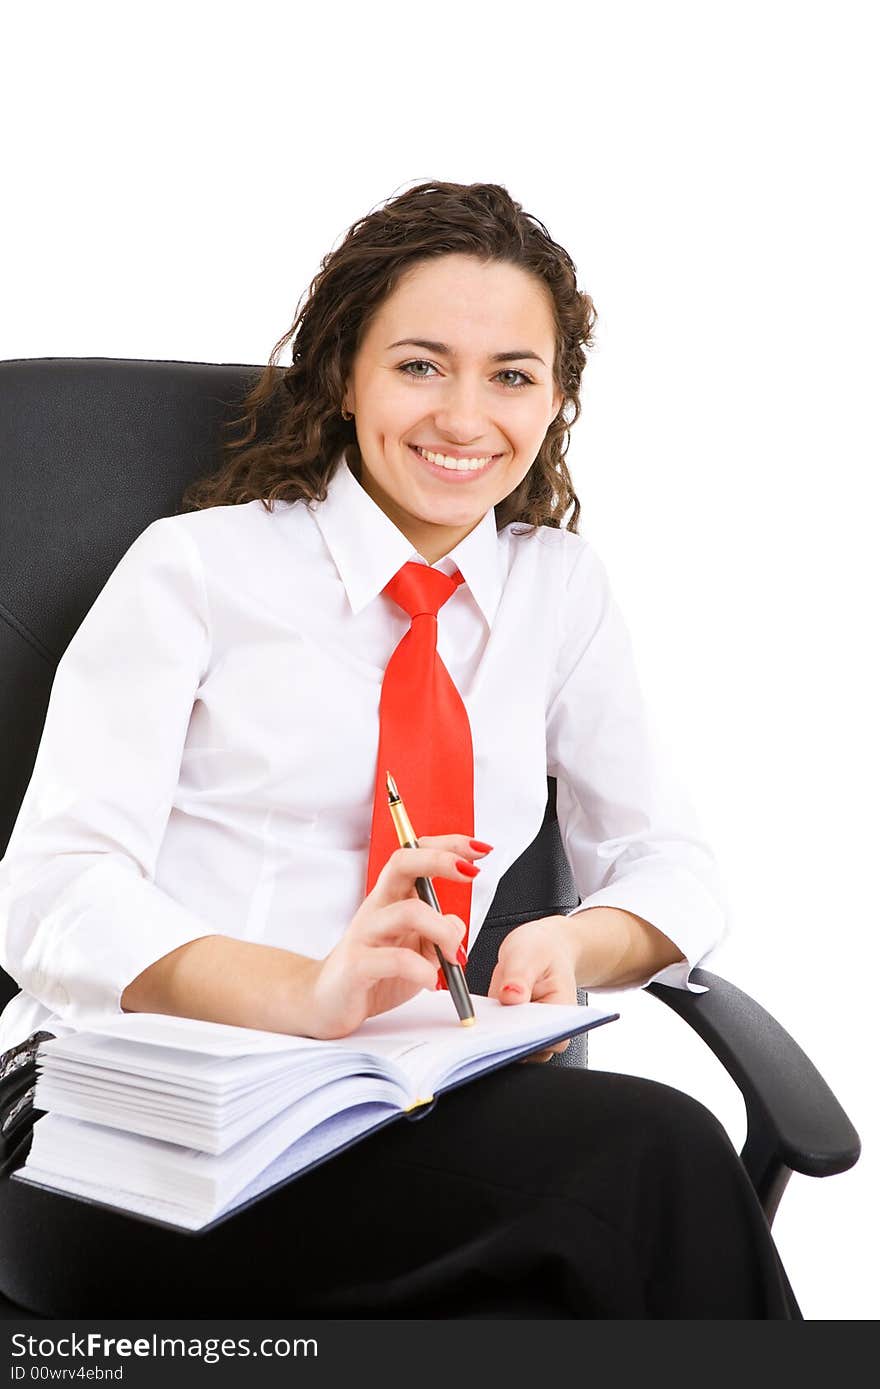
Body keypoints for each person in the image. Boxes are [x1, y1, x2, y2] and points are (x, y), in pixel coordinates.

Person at [0, 180, 801, 1319]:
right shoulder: (196, 571)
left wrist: (577, 940)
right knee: (650, 1165)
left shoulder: (555, 591)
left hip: (397, 1110)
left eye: (511, 375)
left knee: (609, 1223)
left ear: (556, 400)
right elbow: (50, 894)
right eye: (421, 364)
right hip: (144, 1133)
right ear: (345, 375)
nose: (465, 418)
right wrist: (308, 991)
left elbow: (672, 860)